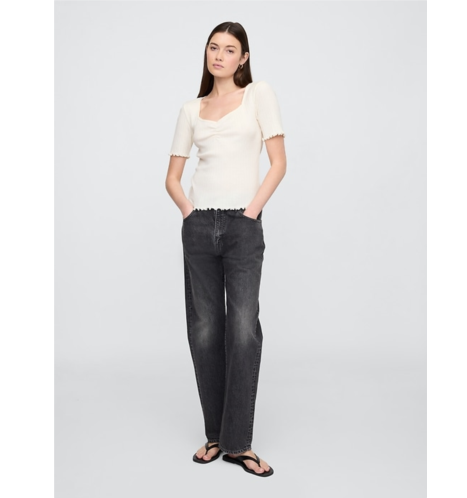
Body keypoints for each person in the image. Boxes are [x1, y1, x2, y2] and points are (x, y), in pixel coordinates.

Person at [165, 21, 286, 478]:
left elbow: (278, 164)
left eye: (229, 49)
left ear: (243, 58)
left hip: (242, 225)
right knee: (204, 331)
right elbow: (172, 177)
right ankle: (216, 435)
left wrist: (250, 214)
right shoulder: (190, 109)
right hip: (199, 227)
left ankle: (240, 443)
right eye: (213, 47)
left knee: (242, 330)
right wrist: (189, 213)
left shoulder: (258, 95)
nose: (219, 55)